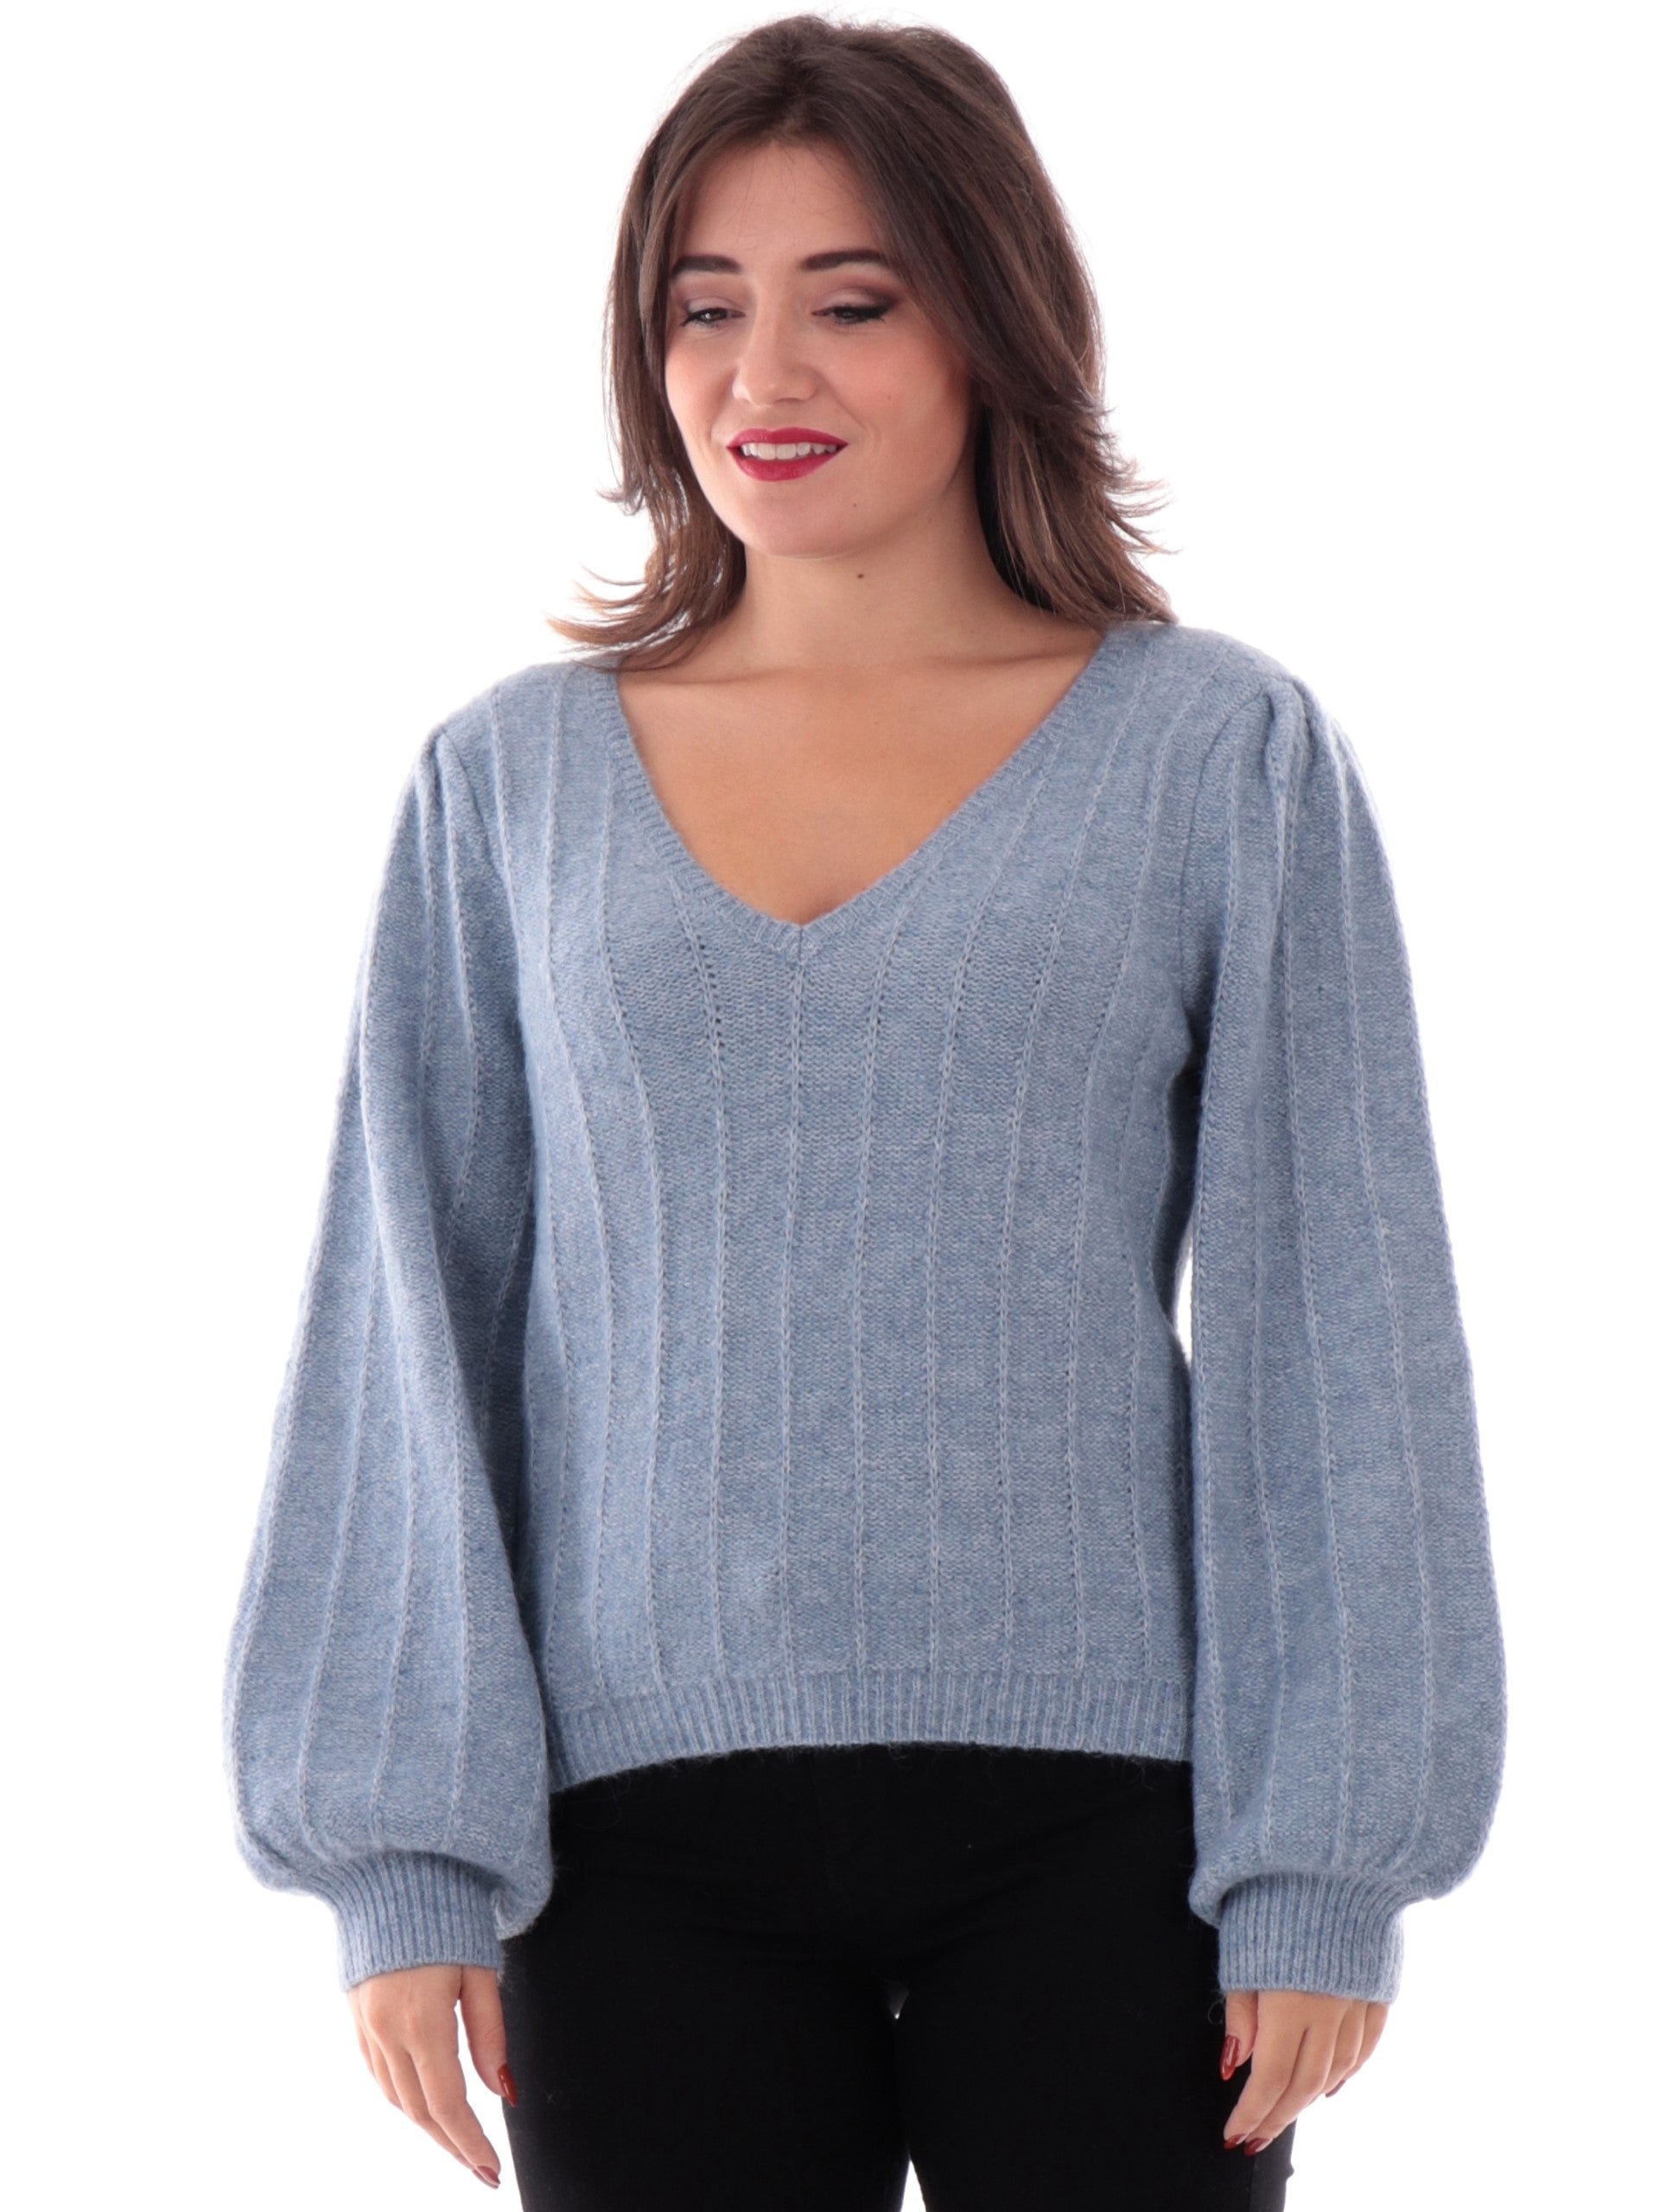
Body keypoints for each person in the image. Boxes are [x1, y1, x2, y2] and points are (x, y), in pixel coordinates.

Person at [219, 15, 1507, 2209]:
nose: (763, 374)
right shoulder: (507, 784)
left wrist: (1326, 1860)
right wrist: (400, 1854)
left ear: (992, 322)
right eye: (703, 306)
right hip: (628, 1854)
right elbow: (405, 1325)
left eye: (852, 300)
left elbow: (1338, 1320)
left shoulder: (1222, 756)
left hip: (1117, 1835)